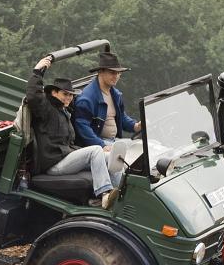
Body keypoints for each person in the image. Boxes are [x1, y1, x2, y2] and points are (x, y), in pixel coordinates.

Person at [26, 56, 120, 209]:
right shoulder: (46, 108)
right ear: (54, 93)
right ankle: (105, 194)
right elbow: (33, 96)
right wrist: (37, 72)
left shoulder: (64, 112)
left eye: (70, 95)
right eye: (65, 94)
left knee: (112, 157)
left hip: (66, 157)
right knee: (95, 150)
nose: (69, 98)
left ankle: (118, 198)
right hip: (53, 163)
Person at [73, 52, 141, 148]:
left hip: (114, 141)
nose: (116, 76)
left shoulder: (115, 94)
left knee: (147, 146)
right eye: (112, 72)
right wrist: (102, 145)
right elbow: (82, 127)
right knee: (129, 154)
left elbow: (121, 117)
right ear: (101, 72)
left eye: (118, 73)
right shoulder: (86, 99)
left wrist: (136, 126)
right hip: (98, 145)